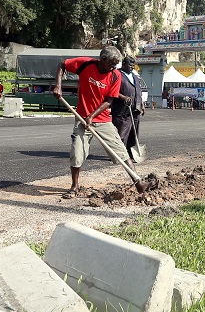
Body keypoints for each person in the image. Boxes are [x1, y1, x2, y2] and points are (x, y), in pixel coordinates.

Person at [52, 45, 144, 198]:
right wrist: (58, 86)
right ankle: (75, 187)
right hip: (81, 118)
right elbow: (62, 64)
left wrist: (92, 116)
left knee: (120, 150)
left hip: (102, 120)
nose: (114, 67)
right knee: (77, 152)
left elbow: (109, 101)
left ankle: (138, 182)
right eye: (112, 63)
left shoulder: (115, 75)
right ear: (103, 59)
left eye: (116, 64)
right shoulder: (85, 64)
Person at [111, 55, 146, 161]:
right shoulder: (117, 75)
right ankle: (118, 155)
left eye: (133, 66)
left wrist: (142, 104)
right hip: (122, 111)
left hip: (135, 109)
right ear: (124, 64)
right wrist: (123, 97)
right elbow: (112, 91)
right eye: (130, 65)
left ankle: (130, 153)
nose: (132, 67)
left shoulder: (135, 76)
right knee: (121, 134)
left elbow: (138, 92)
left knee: (133, 134)